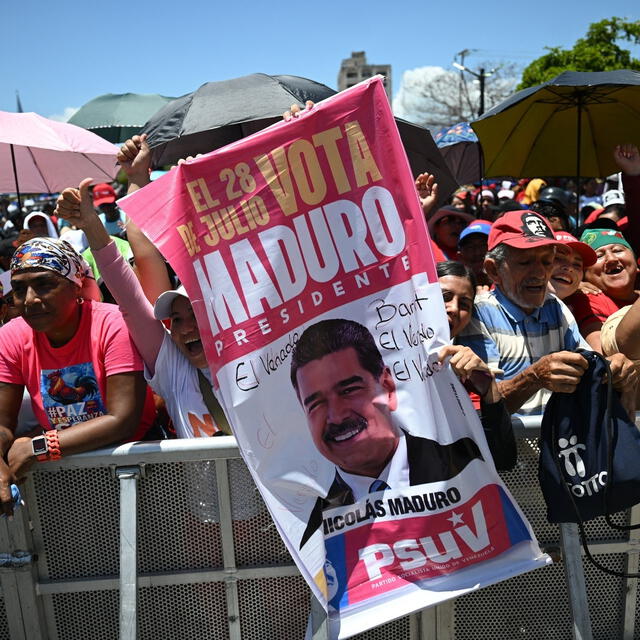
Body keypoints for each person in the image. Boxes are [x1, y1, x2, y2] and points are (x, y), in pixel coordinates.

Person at [55, 135, 230, 440]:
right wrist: (132, 185)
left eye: (195, 315)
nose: (186, 328)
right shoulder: (174, 370)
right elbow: (131, 293)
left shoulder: (258, 353)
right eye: (176, 320)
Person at [289, 318, 482, 549]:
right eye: (316, 404)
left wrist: (486, 388)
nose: (337, 416)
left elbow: (504, 458)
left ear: (388, 387)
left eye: (349, 390)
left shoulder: (462, 461)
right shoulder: (312, 529)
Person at [0, 237, 157, 515]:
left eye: (45, 284)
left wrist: (38, 447)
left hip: (139, 470)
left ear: (76, 285)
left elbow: (122, 420)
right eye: (19, 289)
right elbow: (3, 425)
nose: (30, 300)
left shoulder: (112, 323)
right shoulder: (11, 336)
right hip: (67, 480)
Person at [457, 210, 637, 416]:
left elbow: (590, 368)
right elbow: (482, 406)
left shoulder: (554, 307)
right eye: (525, 262)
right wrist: (533, 377)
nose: (540, 273)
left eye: (546, 261)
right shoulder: (479, 314)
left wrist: (613, 370)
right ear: (494, 270)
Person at [437, 260, 517, 470]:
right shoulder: (377, 360)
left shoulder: (465, 370)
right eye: (444, 297)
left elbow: (503, 460)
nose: (453, 309)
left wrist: (489, 390)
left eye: (464, 304)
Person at [566, 228, 639, 352]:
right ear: (585, 275)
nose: (611, 259)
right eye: (599, 256)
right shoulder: (586, 299)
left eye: (618, 250)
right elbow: (604, 355)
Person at [457, 220, 492, 289]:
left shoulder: (511, 286)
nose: (477, 252)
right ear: (460, 257)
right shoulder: (456, 293)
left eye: (483, 245)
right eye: (470, 247)